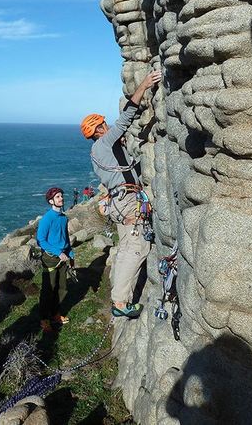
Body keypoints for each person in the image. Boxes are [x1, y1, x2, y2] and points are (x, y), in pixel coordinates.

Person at [81, 70, 162, 318]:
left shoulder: (99, 152)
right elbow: (127, 116)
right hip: (127, 202)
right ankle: (119, 302)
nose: (107, 126)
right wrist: (144, 85)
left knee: (127, 248)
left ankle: (118, 296)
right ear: (97, 130)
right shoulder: (103, 144)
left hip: (120, 201)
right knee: (137, 248)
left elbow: (125, 170)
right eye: (103, 125)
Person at [36, 187, 74, 332]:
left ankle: (54, 314)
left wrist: (71, 255)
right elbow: (41, 240)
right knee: (48, 289)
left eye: (62, 196)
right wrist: (58, 252)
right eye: (58, 197)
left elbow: (66, 238)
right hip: (51, 258)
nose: (61, 199)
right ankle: (44, 319)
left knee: (62, 288)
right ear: (51, 201)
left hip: (63, 256)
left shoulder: (64, 217)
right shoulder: (47, 219)